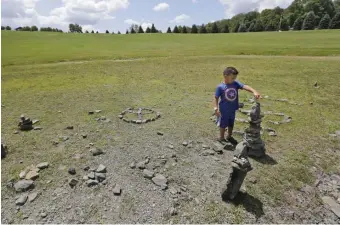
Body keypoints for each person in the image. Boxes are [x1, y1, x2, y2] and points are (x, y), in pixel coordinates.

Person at [214, 66, 260, 145]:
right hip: (224, 109)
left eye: (235, 78)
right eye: (232, 78)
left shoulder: (235, 83)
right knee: (223, 123)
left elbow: (244, 86)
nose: (234, 79)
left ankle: (229, 135)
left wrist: (254, 91)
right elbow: (216, 97)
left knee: (231, 122)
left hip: (233, 108)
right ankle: (221, 137)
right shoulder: (220, 87)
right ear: (225, 76)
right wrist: (216, 108)